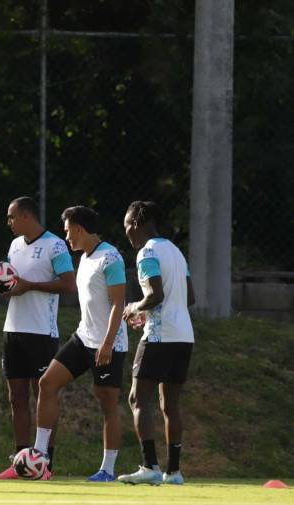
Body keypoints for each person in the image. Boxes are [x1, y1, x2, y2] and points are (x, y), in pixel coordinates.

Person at [31, 206, 128, 482]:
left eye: (67, 232)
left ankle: (108, 469)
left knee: (107, 403)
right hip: (83, 337)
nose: (66, 238)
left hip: (109, 344)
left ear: (79, 229)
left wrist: (107, 343)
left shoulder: (110, 257)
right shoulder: (85, 257)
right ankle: (39, 457)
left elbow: (118, 303)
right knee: (47, 383)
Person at [0, 196, 75, 480]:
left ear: (26, 215)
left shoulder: (55, 244)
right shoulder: (15, 245)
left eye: (11, 216)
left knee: (44, 395)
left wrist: (30, 287)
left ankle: (45, 463)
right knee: (16, 398)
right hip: (12, 329)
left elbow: (68, 284)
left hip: (41, 332)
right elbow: (14, 282)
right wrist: (1, 286)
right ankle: (20, 462)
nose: (8, 222)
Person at [117, 201, 195, 486]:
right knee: (170, 404)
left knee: (138, 397)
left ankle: (149, 465)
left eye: (127, 225)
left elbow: (156, 294)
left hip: (160, 336)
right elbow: (188, 298)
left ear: (137, 222)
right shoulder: (176, 252)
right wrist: (149, 310)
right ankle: (174, 472)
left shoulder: (146, 252)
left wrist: (134, 308)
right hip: (183, 335)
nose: (126, 232)